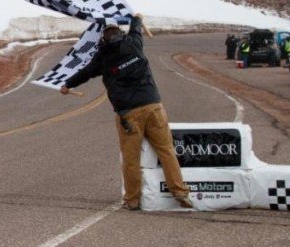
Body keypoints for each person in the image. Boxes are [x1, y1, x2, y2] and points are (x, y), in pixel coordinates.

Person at [61, 16, 194, 210]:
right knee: (166, 151)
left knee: (131, 159)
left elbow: (86, 72)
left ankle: (132, 200)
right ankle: (180, 192)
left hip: (128, 114)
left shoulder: (103, 57)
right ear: (121, 34)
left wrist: (67, 84)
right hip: (153, 106)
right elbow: (135, 27)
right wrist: (136, 19)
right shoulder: (134, 43)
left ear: (103, 40)